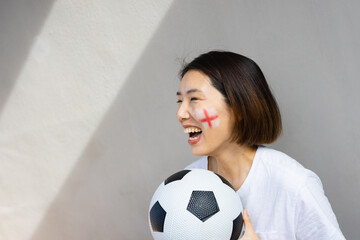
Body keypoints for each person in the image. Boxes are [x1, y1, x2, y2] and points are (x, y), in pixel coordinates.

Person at [176, 51, 346, 240]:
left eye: (194, 99)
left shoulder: (294, 184)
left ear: (239, 107)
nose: (181, 113)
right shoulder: (185, 186)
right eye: (179, 101)